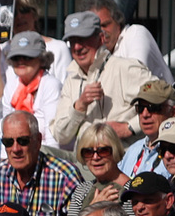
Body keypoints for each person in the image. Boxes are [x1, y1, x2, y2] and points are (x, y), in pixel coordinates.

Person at [0, 30, 63, 191]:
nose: (21, 62)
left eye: (28, 57)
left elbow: (53, 138)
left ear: (41, 58)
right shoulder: (12, 85)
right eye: (16, 58)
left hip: (43, 154)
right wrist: (5, 167)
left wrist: (49, 175)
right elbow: (6, 130)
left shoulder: (51, 84)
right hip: (17, 153)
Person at [50, 11, 151, 151]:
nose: (77, 47)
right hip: (85, 161)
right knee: (42, 152)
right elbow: (61, 136)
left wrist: (130, 127)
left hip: (120, 158)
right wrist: (80, 105)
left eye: (83, 39)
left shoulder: (124, 68)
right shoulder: (71, 79)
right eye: (73, 41)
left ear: (101, 38)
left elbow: (167, 101)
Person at [64, 123, 139, 216]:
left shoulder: (133, 192)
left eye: (103, 151)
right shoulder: (82, 190)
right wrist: (92, 210)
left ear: (114, 151)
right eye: (88, 152)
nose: (95, 157)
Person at [80, 0, 170, 82]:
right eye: (96, 28)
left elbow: (135, 77)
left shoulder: (135, 33)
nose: (101, 32)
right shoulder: (96, 51)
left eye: (105, 25)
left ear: (118, 22)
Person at [117, 79, 175, 179]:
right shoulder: (133, 150)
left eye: (153, 107)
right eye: (140, 108)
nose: (145, 114)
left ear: (173, 112)